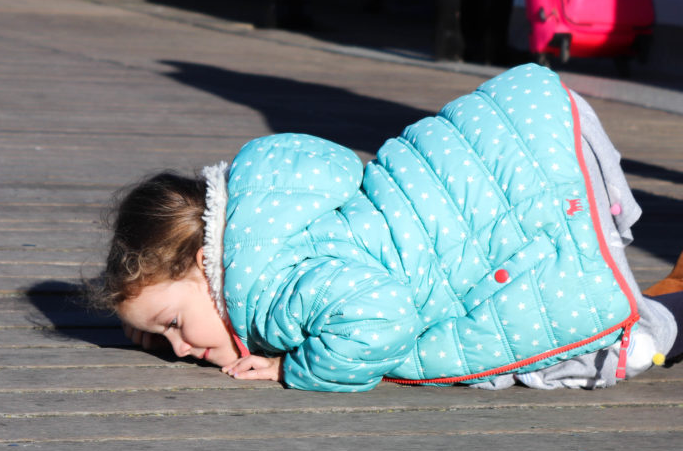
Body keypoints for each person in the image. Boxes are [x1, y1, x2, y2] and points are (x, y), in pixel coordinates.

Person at [92, 63, 683, 392]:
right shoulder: (267, 223)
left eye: (171, 324)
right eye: (156, 343)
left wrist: (294, 368)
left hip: (519, 213)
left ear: (202, 262)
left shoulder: (262, 285)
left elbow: (382, 316)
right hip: (525, 151)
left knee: (617, 349)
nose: (180, 348)